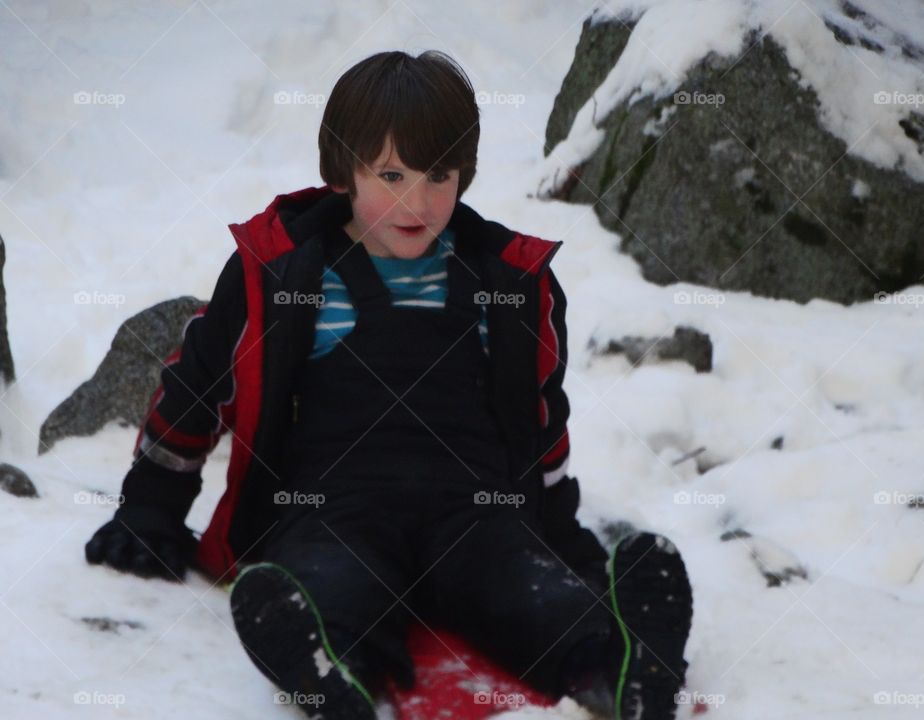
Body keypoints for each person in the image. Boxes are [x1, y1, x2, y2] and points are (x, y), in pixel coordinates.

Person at [84, 50, 693, 720]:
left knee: (526, 591)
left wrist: (558, 533)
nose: (418, 201)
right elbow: (198, 384)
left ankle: (624, 663)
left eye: (439, 176)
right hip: (331, 506)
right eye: (392, 174)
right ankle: (323, 667)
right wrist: (151, 505)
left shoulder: (507, 283)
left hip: (475, 508)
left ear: (465, 174)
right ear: (343, 169)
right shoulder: (284, 274)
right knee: (327, 583)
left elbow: (540, 414)